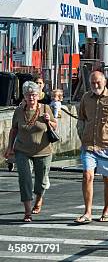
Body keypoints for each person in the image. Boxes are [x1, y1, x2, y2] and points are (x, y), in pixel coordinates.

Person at [76, 71, 108, 224]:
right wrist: (82, 134)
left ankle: (106, 211)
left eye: (98, 82)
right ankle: (87, 212)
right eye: (92, 83)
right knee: (87, 175)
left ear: (104, 82)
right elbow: (82, 118)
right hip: (89, 145)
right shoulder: (86, 98)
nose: (95, 85)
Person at [3, 81, 57, 222]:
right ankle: (27, 211)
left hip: (43, 150)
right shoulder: (19, 111)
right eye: (28, 95)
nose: (31, 97)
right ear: (24, 96)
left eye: (33, 94)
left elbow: (55, 126)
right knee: (24, 179)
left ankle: (39, 198)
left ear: (38, 95)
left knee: (41, 181)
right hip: (22, 150)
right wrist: (9, 148)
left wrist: (49, 122)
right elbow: (14, 130)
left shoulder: (45, 108)